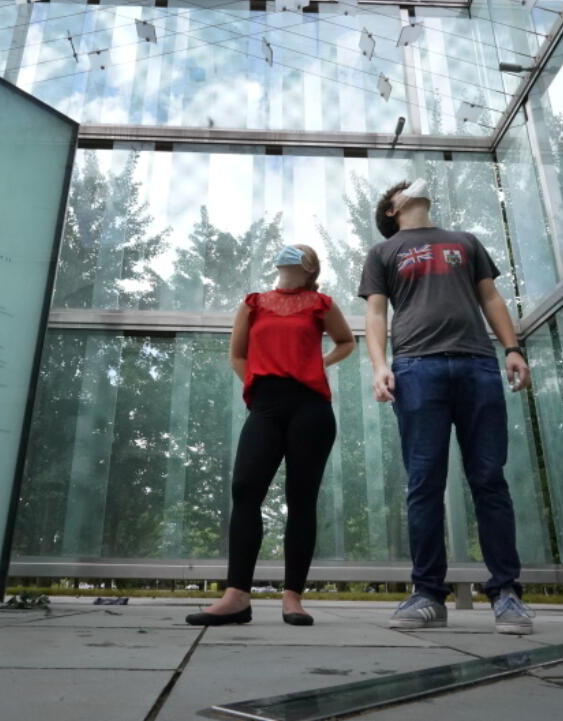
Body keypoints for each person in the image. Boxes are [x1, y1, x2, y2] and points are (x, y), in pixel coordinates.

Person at [358, 180, 535, 634]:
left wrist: (513, 349)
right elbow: (376, 314)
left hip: (478, 364)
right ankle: (427, 594)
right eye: (399, 189)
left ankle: (507, 594)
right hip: (416, 369)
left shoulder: (465, 242)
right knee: (424, 481)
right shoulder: (383, 252)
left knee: (489, 478)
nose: (411, 187)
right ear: (393, 209)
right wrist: (380, 366)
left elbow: (490, 297)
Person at [187, 244, 355, 627]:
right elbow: (237, 354)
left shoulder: (321, 303)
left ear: (311, 266)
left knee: (302, 498)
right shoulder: (253, 303)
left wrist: (320, 364)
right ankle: (236, 596)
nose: (288, 252)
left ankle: (292, 597)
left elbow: (347, 342)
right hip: (264, 405)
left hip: (311, 407)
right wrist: (255, 386)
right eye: (286, 249)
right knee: (245, 488)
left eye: (299, 252)